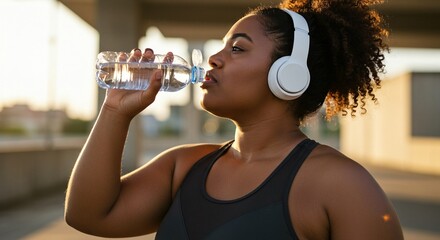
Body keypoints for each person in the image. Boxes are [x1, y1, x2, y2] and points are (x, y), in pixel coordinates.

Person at [65, 0, 404, 239]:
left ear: (289, 75)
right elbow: (88, 215)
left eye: (237, 48)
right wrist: (115, 112)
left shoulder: (343, 184)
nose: (214, 58)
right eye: (223, 46)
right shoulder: (183, 166)